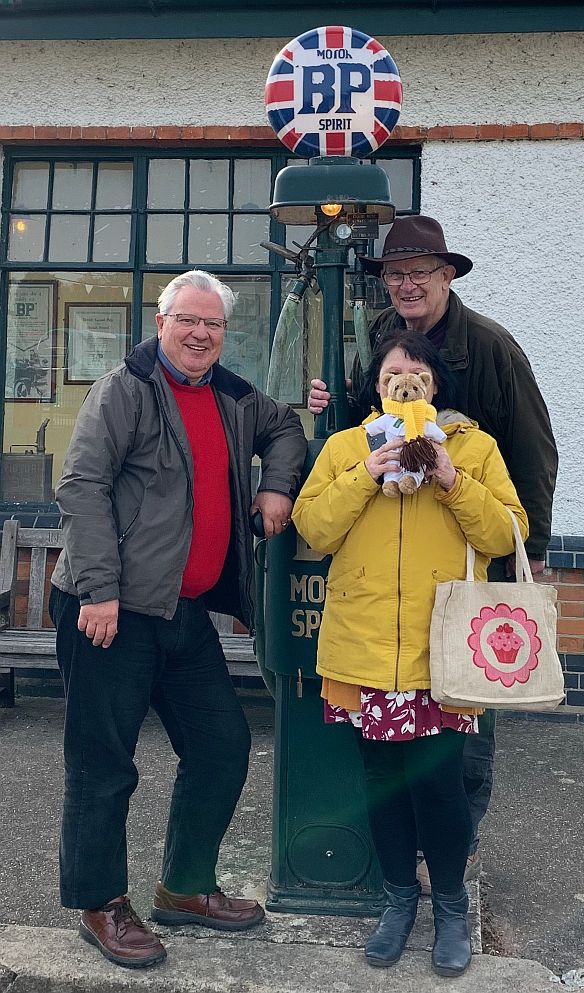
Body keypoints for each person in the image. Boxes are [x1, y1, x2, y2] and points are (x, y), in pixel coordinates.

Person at [49, 269, 307, 969]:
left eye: (212, 324)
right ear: (161, 322)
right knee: (104, 765)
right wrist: (99, 588)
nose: (199, 333)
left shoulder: (231, 395)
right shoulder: (125, 390)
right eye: (187, 320)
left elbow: (284, 425)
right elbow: (82, 484)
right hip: (109, 609)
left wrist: (277, 483)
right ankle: (100, 904)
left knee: (222, 744)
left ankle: (186, 887)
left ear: (224, 333)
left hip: (181, 613)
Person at [308, 215, 557, 890]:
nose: (407, 284)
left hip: (475, 556)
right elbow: (361, 436)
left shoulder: (492, 348)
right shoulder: (384, 348)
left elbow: (533, 453)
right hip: (389, 578)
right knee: (395, 741)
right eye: (395, 274)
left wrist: (524, 554)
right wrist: (329, 404)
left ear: (447, 276)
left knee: (467, 705)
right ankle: (407, 859)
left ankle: (459, 851)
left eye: (420, 272)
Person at [294, 329, 528, 977]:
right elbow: (313, 527)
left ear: (434, 385)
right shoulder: (346, 446)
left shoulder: (474, 446)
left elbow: (508, 531)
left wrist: (453, 479)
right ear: (377, 386)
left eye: (416, 373)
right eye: (392, 372)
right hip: (363, 648)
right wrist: (366, 474)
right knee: (381, 782)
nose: (404, 381)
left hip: (443, 649)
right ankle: (399, 899)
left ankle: (448, 904)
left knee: (439, 784)